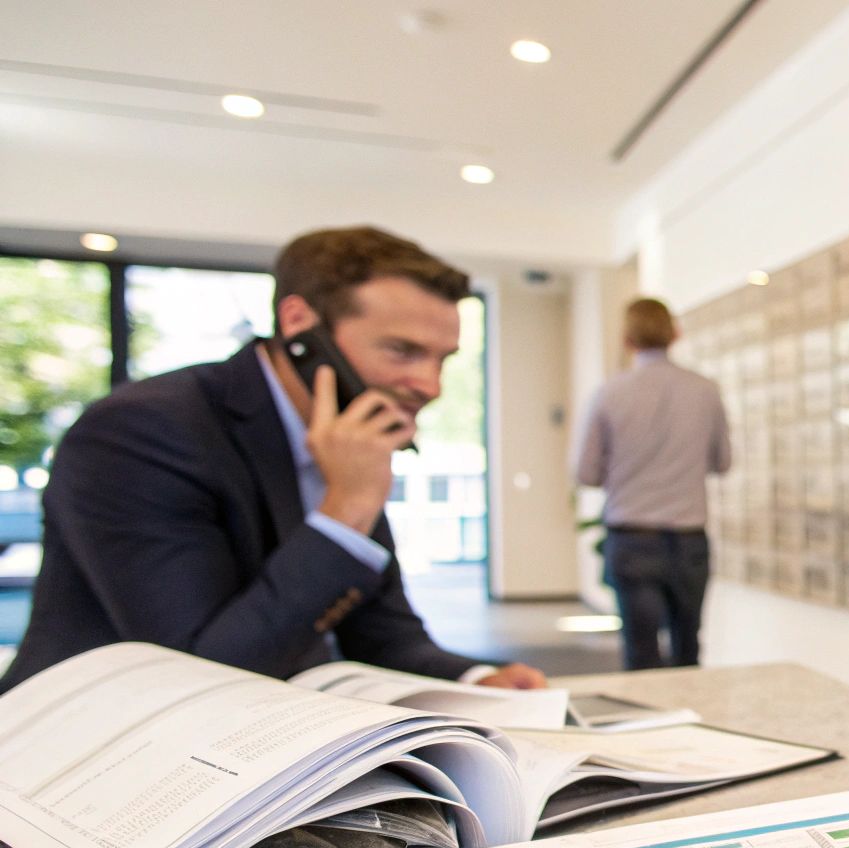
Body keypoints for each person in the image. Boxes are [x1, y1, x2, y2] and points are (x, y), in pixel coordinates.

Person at [0, 227, 545, 691]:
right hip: (92, 755)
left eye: (442, 359)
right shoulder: (141, 431)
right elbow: (203, 673)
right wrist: (346, 509)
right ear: (299, 324)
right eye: (402, 351)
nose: (430, 385)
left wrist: (479, 679)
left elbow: (385, 638)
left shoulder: (345, 441)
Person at [574, 298, 732, 670]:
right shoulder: (706, 390)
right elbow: (723, 462)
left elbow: (586, 473)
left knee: (641, 649)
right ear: (675, 334)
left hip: (632, 538)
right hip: (689, 540)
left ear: (627, 340)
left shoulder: (608, 393)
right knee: (688, 645)